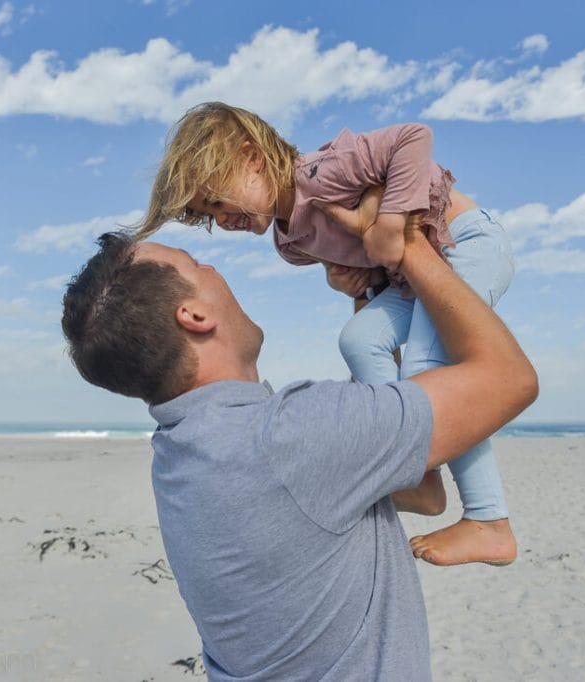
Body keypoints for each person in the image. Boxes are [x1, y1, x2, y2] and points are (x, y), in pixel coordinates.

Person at [61, 191, 538, 680]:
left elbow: (419, 491)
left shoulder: (181, 456)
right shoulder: (288, 437)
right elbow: (509, 380)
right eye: (198, 265)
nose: (215, 269)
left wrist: (367, 293)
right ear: (195, 316)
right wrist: (407, 242)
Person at [133, 102, 518, 566]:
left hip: (464, 243)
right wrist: (353, 282)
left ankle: (489, 519)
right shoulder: (289, 243)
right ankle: (416, 473)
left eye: (217, 200)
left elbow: (412, 137)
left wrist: (390, 220)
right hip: (412, 281)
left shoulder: (323, 172)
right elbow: (370, 270)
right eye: (208, 215)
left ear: (252, 158)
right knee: (359, 339)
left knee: (425, 363)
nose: (222, 219)